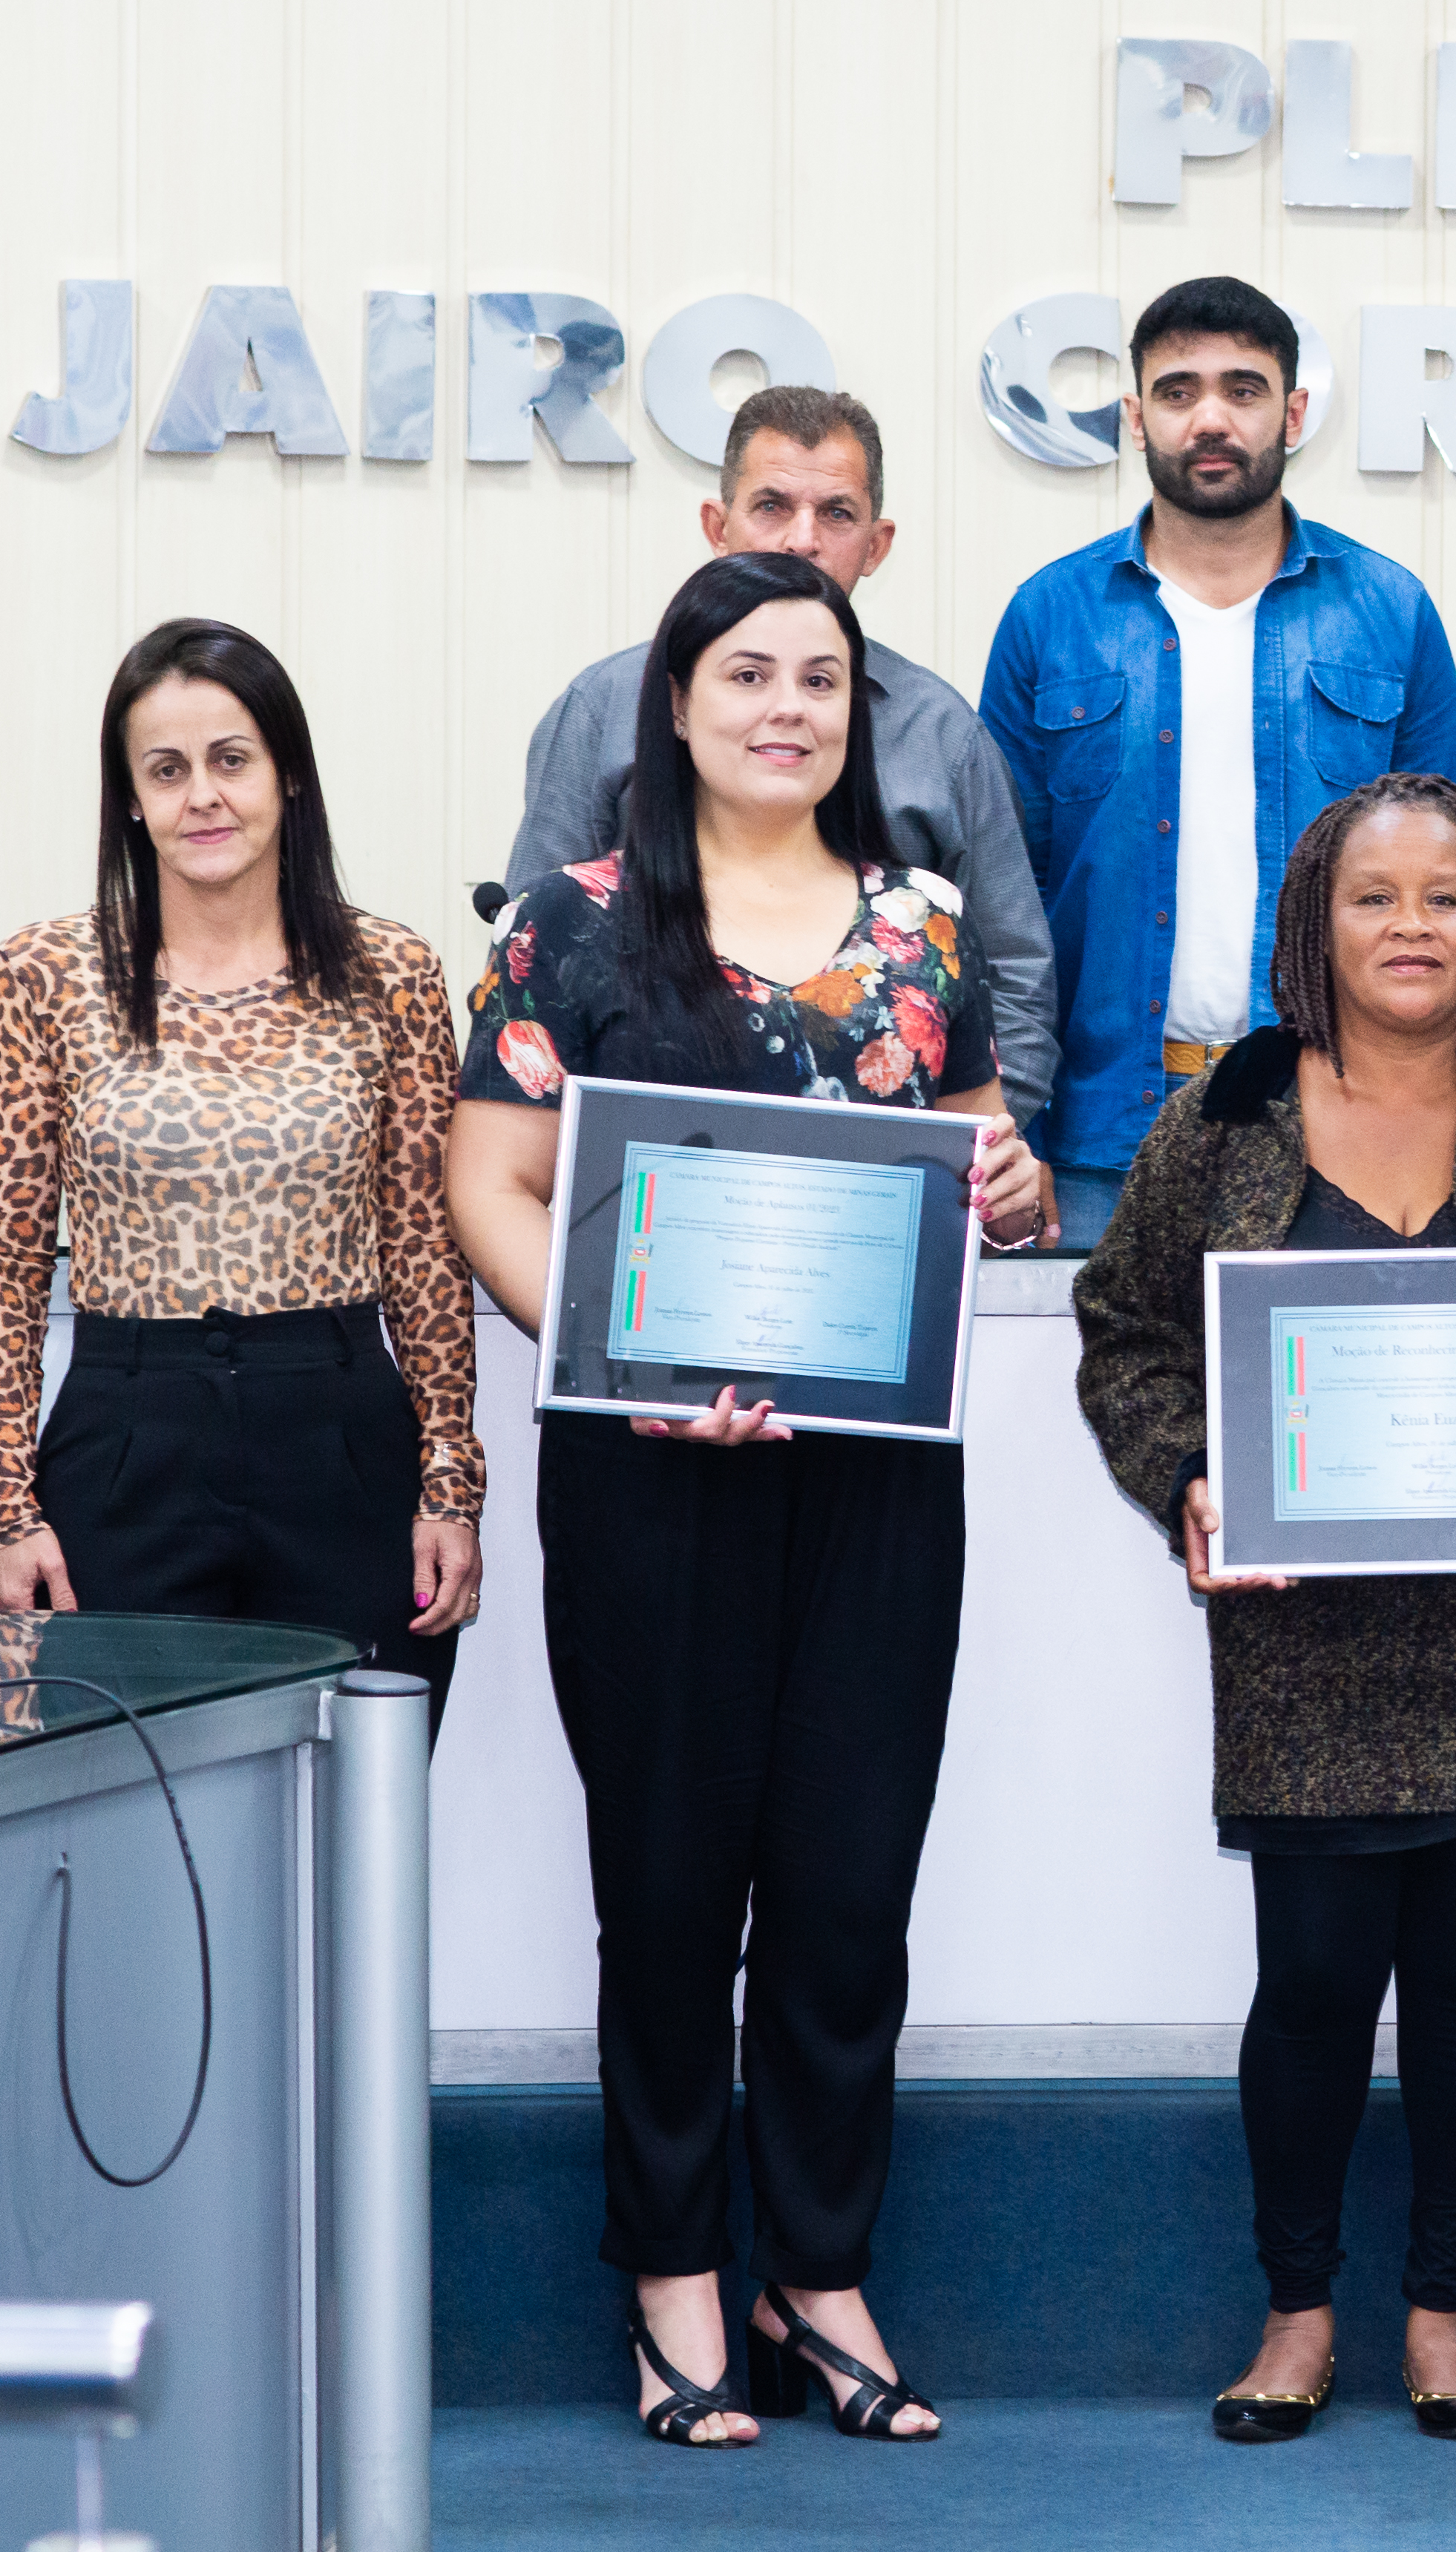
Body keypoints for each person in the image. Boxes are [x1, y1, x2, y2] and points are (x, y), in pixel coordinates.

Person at [445, 549, 1046, 2454]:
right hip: (648, 1486)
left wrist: (1005, 1180)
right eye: (747, 675)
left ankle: (821, 2267)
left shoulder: (924, 926)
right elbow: (491, 1190)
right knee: (672, 1884)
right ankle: (677, 2274)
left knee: (851, 1886)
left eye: (822, 679)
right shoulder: (576, 925)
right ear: (678, 707)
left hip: (878, 1478)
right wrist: (617, 1365)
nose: (788, 706)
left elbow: (962, 1158)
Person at [1069, 775, 1456, 2450]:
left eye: (1446, 897)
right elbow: (1122, 1329)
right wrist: (1188, 1473)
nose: (1409, 926)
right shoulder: (1224, 1120)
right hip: (1300, 1636)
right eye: (1372, 896)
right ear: (1310, 923)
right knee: (1316, 1977)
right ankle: (1294, 2311)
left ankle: (1443, 2314)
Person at [0, 620, 482, 1710]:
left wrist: (449, 1488)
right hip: (125, 1442)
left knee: (350, 1819)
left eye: (230, 758)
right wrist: (11, 1511)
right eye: (167, 768)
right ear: (133, 799)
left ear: (288, 774)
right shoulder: (43, 975)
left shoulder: (393, 972)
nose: (202, 794)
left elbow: (427, 1254)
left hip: (342, 1440)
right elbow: (4, 1266)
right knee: (123, 1820)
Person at [982, 276, 1456, 1250]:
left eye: (1243, 389)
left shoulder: (1389, 611)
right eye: (1177, 392)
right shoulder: (1050, 618)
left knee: (1314, 1404)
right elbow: (1002, 907)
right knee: (1102, 1401)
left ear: (1293, 412)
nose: (1210, 417)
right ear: (1135, 418)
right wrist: (1016, 1127)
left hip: (1343, 1132)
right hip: (1098, 1147)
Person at [507, 385, 1059, 1165]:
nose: (802, 540)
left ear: (877, 544)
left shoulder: (943, 733)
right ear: (717, 524)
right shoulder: (602, 707)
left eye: (836, 513)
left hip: (881, 1180)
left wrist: (966, 1157)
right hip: (649, 1176)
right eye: (771, 505)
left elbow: (1015, 979)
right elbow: (536, 963)